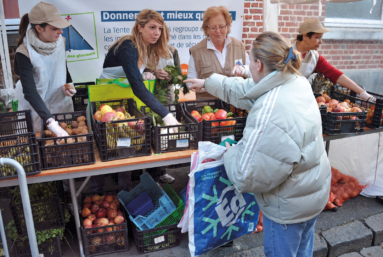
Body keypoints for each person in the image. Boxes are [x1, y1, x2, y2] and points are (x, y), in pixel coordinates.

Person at [185, 31, 331, 257]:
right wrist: (207, 83)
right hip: (310, 193)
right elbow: (246, 90)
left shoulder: (270, 111)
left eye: (249, 60)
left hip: (287, 208)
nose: (247, 67)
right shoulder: (294, 80)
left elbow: (246, 175)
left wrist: (230, 153)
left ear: (258, 64)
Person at [92, 10, 178, 191]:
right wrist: (166, 115)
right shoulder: (127, 46)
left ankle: (125, 192)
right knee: (105, 150)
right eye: (152, 27)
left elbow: (131, 75)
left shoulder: (143, 47)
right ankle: (98, 193)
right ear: (139, 27)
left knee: (125, 146)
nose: (157, 33)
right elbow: (137, 87)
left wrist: (148, 73)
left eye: (160, 29)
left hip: (121, 105)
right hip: (106, 105)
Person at [14, 1, 75, 134]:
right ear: (39, 29)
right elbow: (29, 91)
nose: (61, 31)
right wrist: (51, 122)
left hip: (59, 101)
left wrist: (68, 83)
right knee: (38, 139)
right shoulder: (23, 52)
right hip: (35, 106)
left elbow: (62, 64)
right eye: (54, 28)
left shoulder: (61, 41)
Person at [187, 6, 251, 101]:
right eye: (213, 27)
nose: (218, 31)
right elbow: (190, 83)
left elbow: (252, 74)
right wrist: (210, 85)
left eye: (221, 26)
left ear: (227, 26)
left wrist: (244, 69)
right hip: (208, 110)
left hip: (236, 106)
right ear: (207, 29)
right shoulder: (197, 51)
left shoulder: (239, 47)